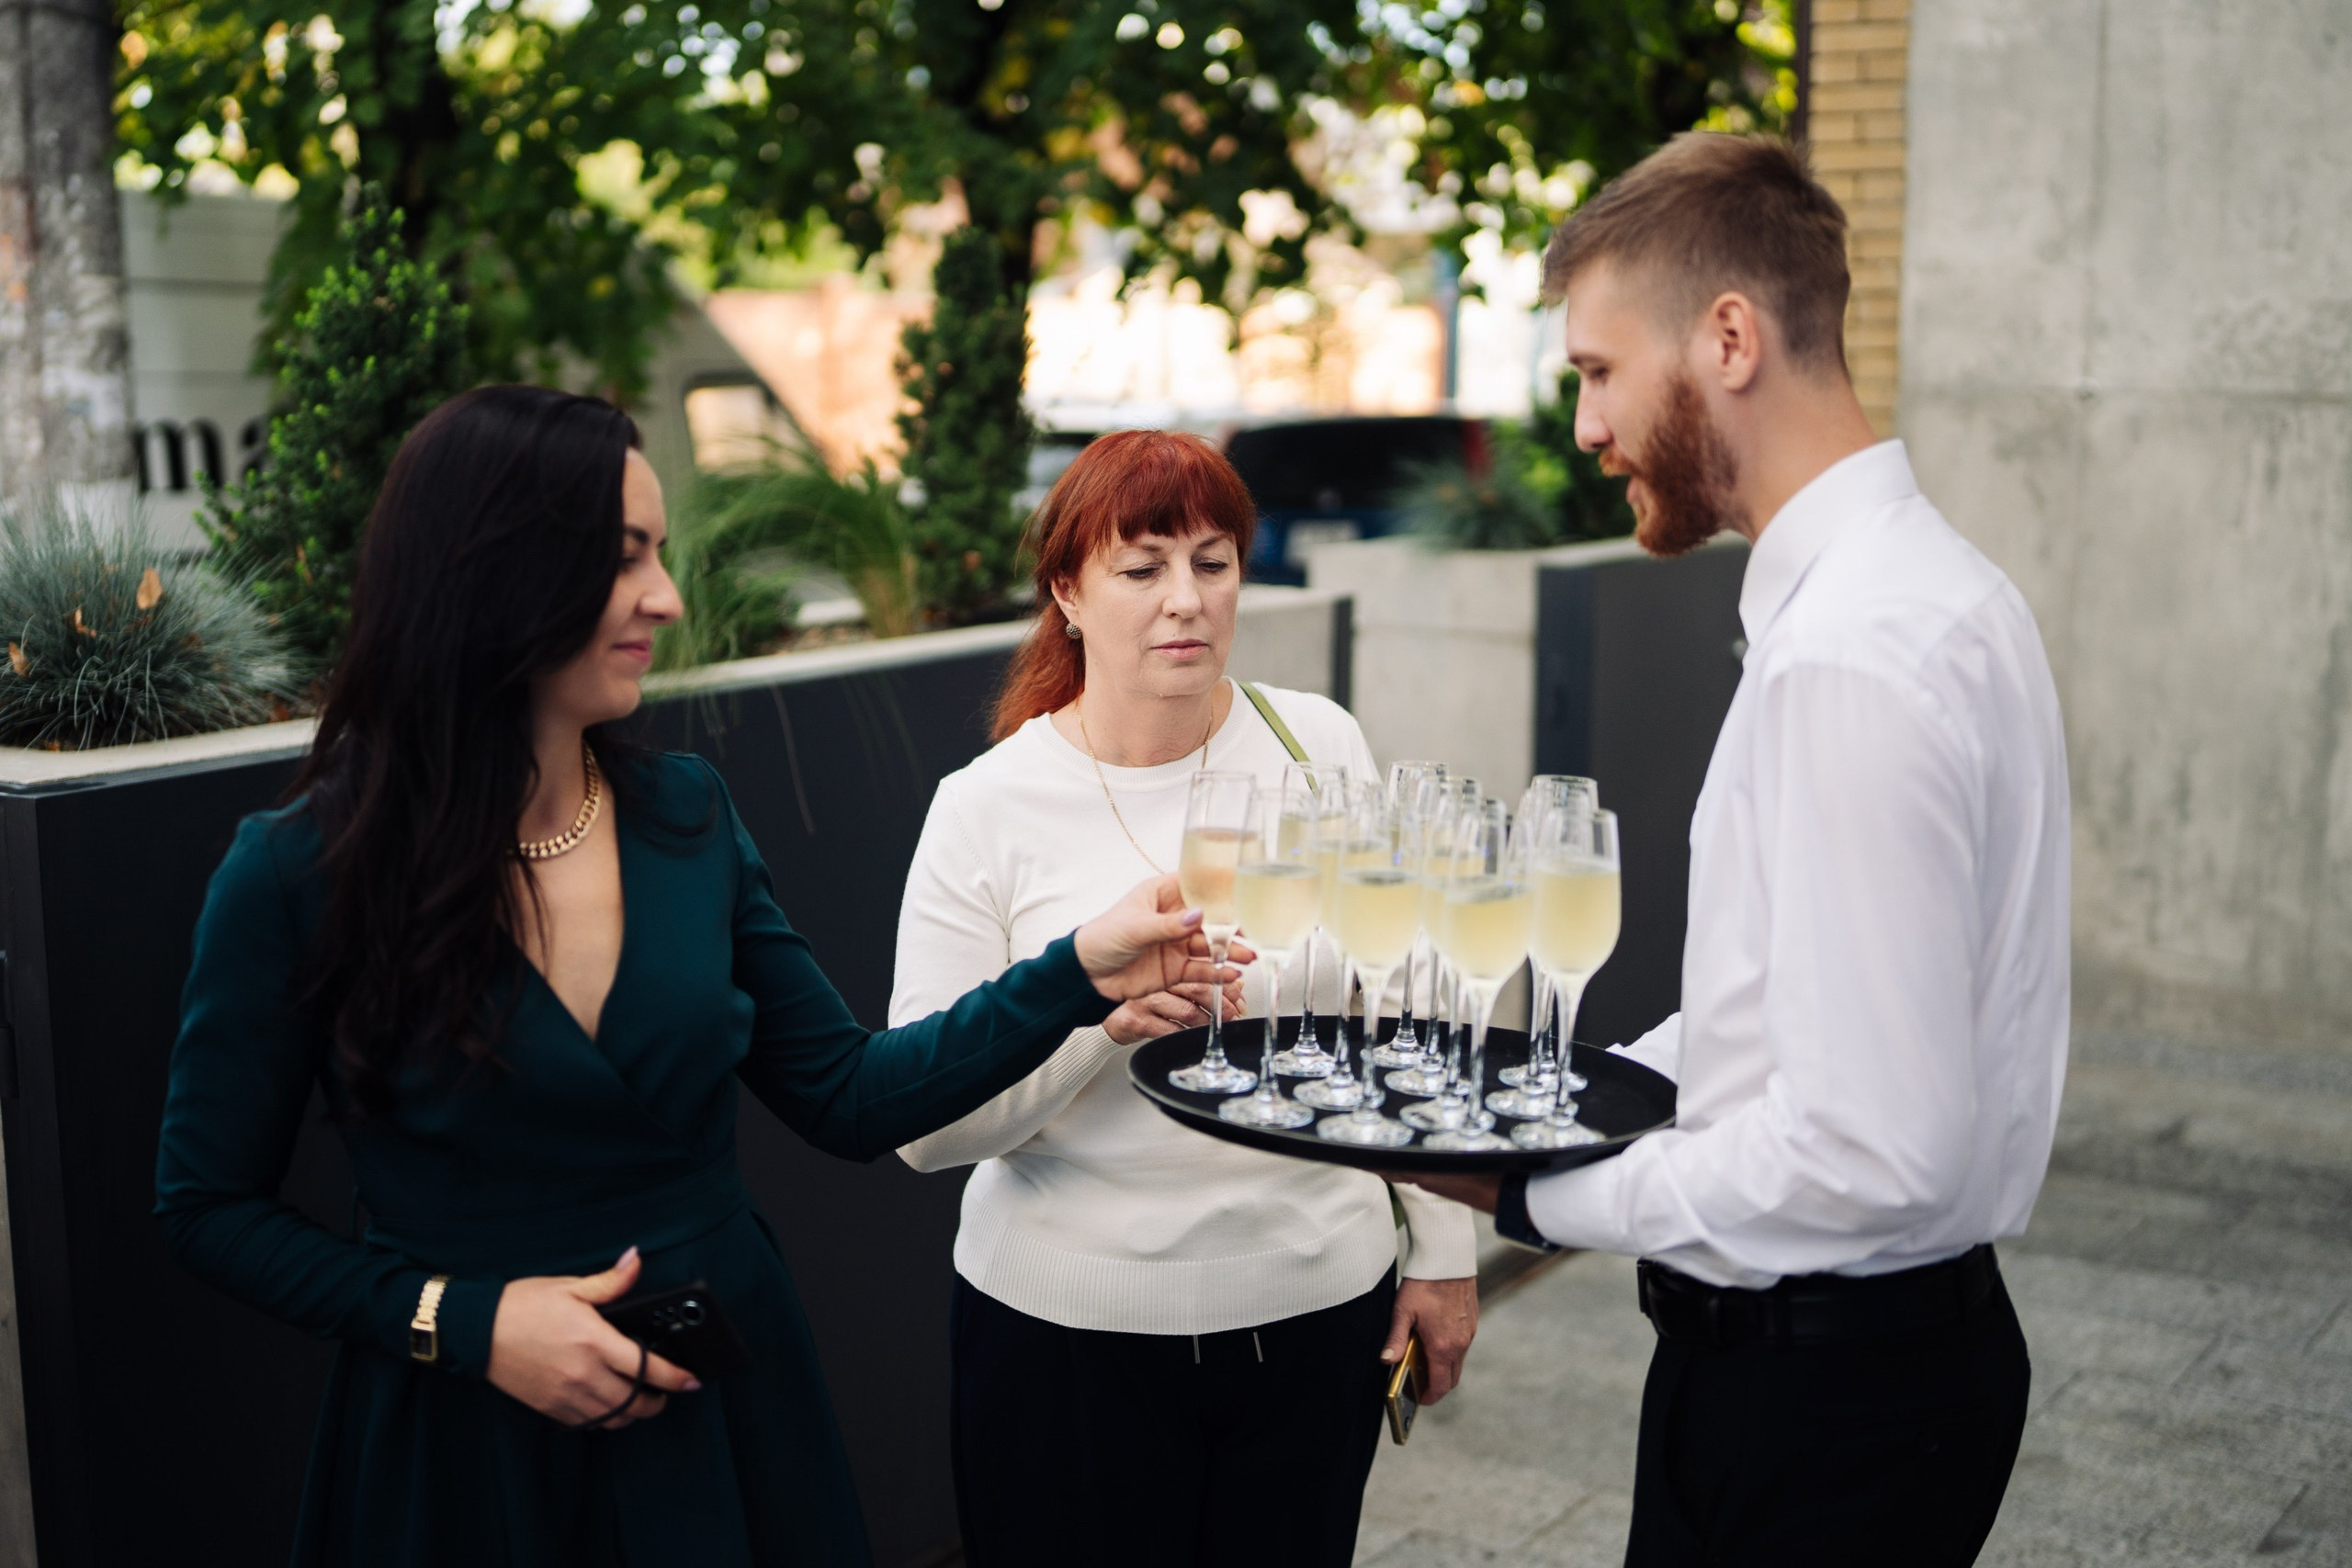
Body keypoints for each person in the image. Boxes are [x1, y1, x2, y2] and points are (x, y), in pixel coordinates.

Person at [153, 386, 1227, 1568]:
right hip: (462, 1454)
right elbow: (206, 1205)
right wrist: (459, 1322)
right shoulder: (300, 868)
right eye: (624, 559)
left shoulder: (684, 817)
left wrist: (1074, 973)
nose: (666, 596)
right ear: (491, 569)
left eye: (658, 554)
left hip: (723, 1424)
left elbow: (852, 1096)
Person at [1398, 134, 2071, 1566]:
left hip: (1821, 1400)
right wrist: (1573, 1091)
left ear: (1728, 337)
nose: (1583, 424)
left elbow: (1868, 1150)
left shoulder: (1853, 656)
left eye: (1594, 369)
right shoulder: (1944, 593)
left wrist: (1525, 1189)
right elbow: (1801, 1002)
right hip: (1868, 1371)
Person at [888, 430, 1479, 1568]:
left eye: (1213, 563)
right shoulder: (987, 806)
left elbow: (1396, 1007)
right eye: (1142, 567)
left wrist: (1440, 1250)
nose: (1187, 603)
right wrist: (1090, 1023)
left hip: (1318, 1304)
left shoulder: (1317, 745)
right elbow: (925, 1127)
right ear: (1066, 590)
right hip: (1063, 1338)